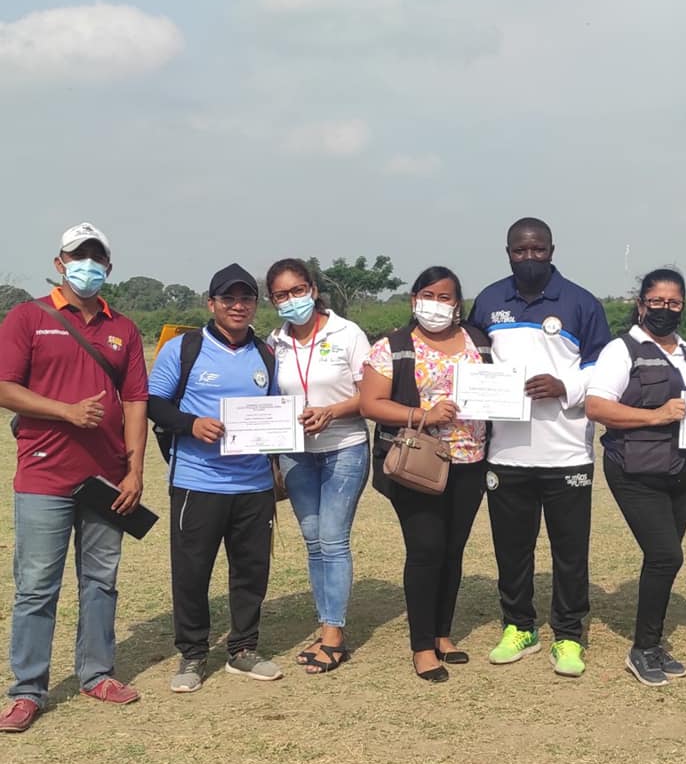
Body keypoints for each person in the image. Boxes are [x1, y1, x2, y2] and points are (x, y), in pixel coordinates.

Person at [0, 223, 148, 733]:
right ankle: (27, 690)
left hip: (107, 479)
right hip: (44, 474)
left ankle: (96, 674)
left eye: (96, 258)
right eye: (77, 256)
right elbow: (4, 387)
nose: (87, 266)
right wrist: (65, 411)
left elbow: (136, 400)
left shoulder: (123, 328)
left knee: (101, 581)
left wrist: (135, 469)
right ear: (60, 263)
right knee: (37, 587)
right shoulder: (28, 317)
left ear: (108, 267)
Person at [467, 217, 611, 677]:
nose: (529, 257)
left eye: (538, 250)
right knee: (512, 549)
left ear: (552, 250)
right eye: (520, 250)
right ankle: (519, 626)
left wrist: (565, 386)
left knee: (570, 551)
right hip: (506, 452)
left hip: (567, 451)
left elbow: (603, 367)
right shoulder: (489, 300)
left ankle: (568, 635)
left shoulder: (581, 302)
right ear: (508, 252)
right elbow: (473, 361)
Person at [147, 263, 282, 692]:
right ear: (211, 304)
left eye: (246, 298)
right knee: (192, 572)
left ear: (255, 305)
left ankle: (243, 649)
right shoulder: (183, 348)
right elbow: (154, 403)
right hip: (198, 481)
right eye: (228, 298)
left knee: (251, 570)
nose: (238, 306)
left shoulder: (265, 354)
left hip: (254, 485)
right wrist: (191, 424)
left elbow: (274, 411)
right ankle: (192, 654)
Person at [360, 266, 490, 683]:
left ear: (458, 303)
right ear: (414, 299)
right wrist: (423, 415)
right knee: (425, 549)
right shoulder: (392, 347)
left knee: (453, 550)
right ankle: (421, 647)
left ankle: (442, 634)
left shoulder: (479, 342)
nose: (436, 304)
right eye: (428, 295)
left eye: (445, 297)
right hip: (418, 461)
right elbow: (371, 404)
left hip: (470, 460)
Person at [586, 268, 686, 686]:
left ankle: (653, 645)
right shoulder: (622, 350)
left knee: (663, 560)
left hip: (681, 471)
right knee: (666, 556)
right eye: (656, 301)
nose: (665, 309)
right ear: (641, 305)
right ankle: (642, 648)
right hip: (634, 470)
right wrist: (656, 415)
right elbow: (597, 407)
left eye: (674, 302)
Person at [265, 258, 370, 674]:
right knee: (313, 540)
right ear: (272, 301)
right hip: (296, 453)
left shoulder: (347, 333)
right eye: (281, 295)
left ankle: (333, 634)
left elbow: (372, 396)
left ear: (312, 289)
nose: (291, 300)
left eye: (297, 290)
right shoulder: (275, 342)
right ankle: (327, 621)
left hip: (344, 447)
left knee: (333, 538)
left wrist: (332, 411)